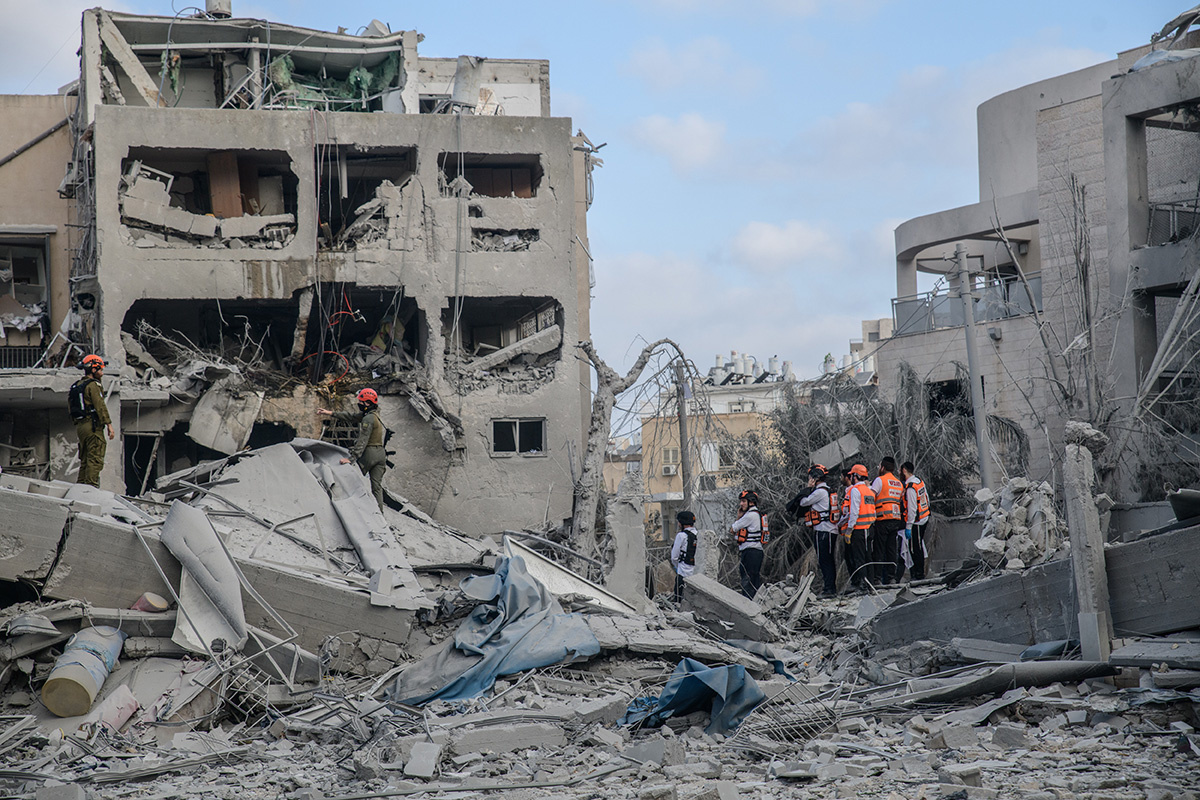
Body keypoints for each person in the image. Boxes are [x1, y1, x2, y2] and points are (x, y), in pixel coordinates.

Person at [318, 388, 387, 511]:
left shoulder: (368, 419)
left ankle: (350, 509)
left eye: (361, 402)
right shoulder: (374, 415)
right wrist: (330, 413)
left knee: (351, 479)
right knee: (377, 487)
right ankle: (380, 514)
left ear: (368, 403)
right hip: (381, 454)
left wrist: (352, 458)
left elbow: (363, 440)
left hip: (369, 454)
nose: (359, 403)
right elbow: (351, 417)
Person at [69, 354, 115, 487]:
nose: (102, 372)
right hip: (92, 426)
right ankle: (90, 488)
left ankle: (80, 488)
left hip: (81, 427)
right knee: (95, 458)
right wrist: (109, 425)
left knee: (85, 460)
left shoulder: (77, 385)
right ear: (93, 370)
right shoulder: (93, 385)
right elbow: (100, 406)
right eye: (100, 369)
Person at [797, 465, 838, 596]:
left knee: (825, 560)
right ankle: (830, 588)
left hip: (823, 530)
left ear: (815, 478)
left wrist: (808, 487)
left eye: (811, 477)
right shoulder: (828, 490)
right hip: (830, 530)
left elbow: (803, 502)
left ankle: (829, 589)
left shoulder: (819, 492)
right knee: (828, 560)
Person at [840, 464, 876, 591]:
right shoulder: (869, 491)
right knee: (868, 557)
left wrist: (849, 530)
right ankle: (870, 584)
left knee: (859, 558)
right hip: (870, 528)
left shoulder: (856, 490)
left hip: (859, 529)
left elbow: (854, 512)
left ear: (855, 476)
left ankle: (864, 585)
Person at [870, 456, 905, 585]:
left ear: (883, 467)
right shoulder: (898, 483)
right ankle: (891, 577)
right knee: (891, 549)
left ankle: (877, 578)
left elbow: (870, 498)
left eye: (880, 466)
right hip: (895, 519)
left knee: (879, 550)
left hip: (882, 519)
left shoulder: (879, 480)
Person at [730, 489, 767, 599]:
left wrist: (738, 516)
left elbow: (732, 529)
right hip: (756, 551)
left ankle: (748, 603)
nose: (741, 504)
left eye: (743, 501)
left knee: (747, 581)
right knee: (754, 580)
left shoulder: (750, 516)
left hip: (750, 552)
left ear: (751, 502)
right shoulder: (758, 514)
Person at [898, 461, 931, 580]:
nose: (899, 473)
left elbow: (911, 508)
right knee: (918, 546)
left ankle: (918, 574)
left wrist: (908, 526)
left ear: (904, 470)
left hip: (916, 522)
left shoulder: (910, 487)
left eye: (900, 471)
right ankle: (919, 573)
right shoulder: (919, 481)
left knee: (915, 549)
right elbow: (926, 498)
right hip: (924, 517)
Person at [670, 510, 698, 602]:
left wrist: (678, 567)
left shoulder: (681, 536)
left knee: (679, 601)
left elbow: (674, 557)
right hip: (695, 574)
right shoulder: (698, 535)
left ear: (682, 523)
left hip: (683, 573)